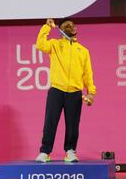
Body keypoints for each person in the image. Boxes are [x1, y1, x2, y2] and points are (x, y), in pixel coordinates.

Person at [35, 18, 96, 163]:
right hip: (57, 90)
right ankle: (45, 152)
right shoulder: (55, 45)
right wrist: (47, 27)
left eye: (73, 24)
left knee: (73, 124)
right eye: (67, 25)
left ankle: (70, 151)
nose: (71, 26)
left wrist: (91, 92)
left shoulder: (83, 51)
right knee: (50, 121)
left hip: (75, 92)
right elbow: (40, 44)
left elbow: (88, 73)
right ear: (61, 30)